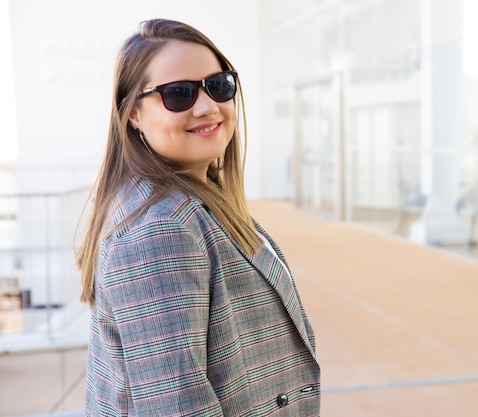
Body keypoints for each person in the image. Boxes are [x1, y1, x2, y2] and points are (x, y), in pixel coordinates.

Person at [76, 19, 320, 416]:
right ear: (133, 113)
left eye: (219, 85)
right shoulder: (160, 230)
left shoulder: (198, 201)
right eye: (178, 94)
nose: (208, 107)